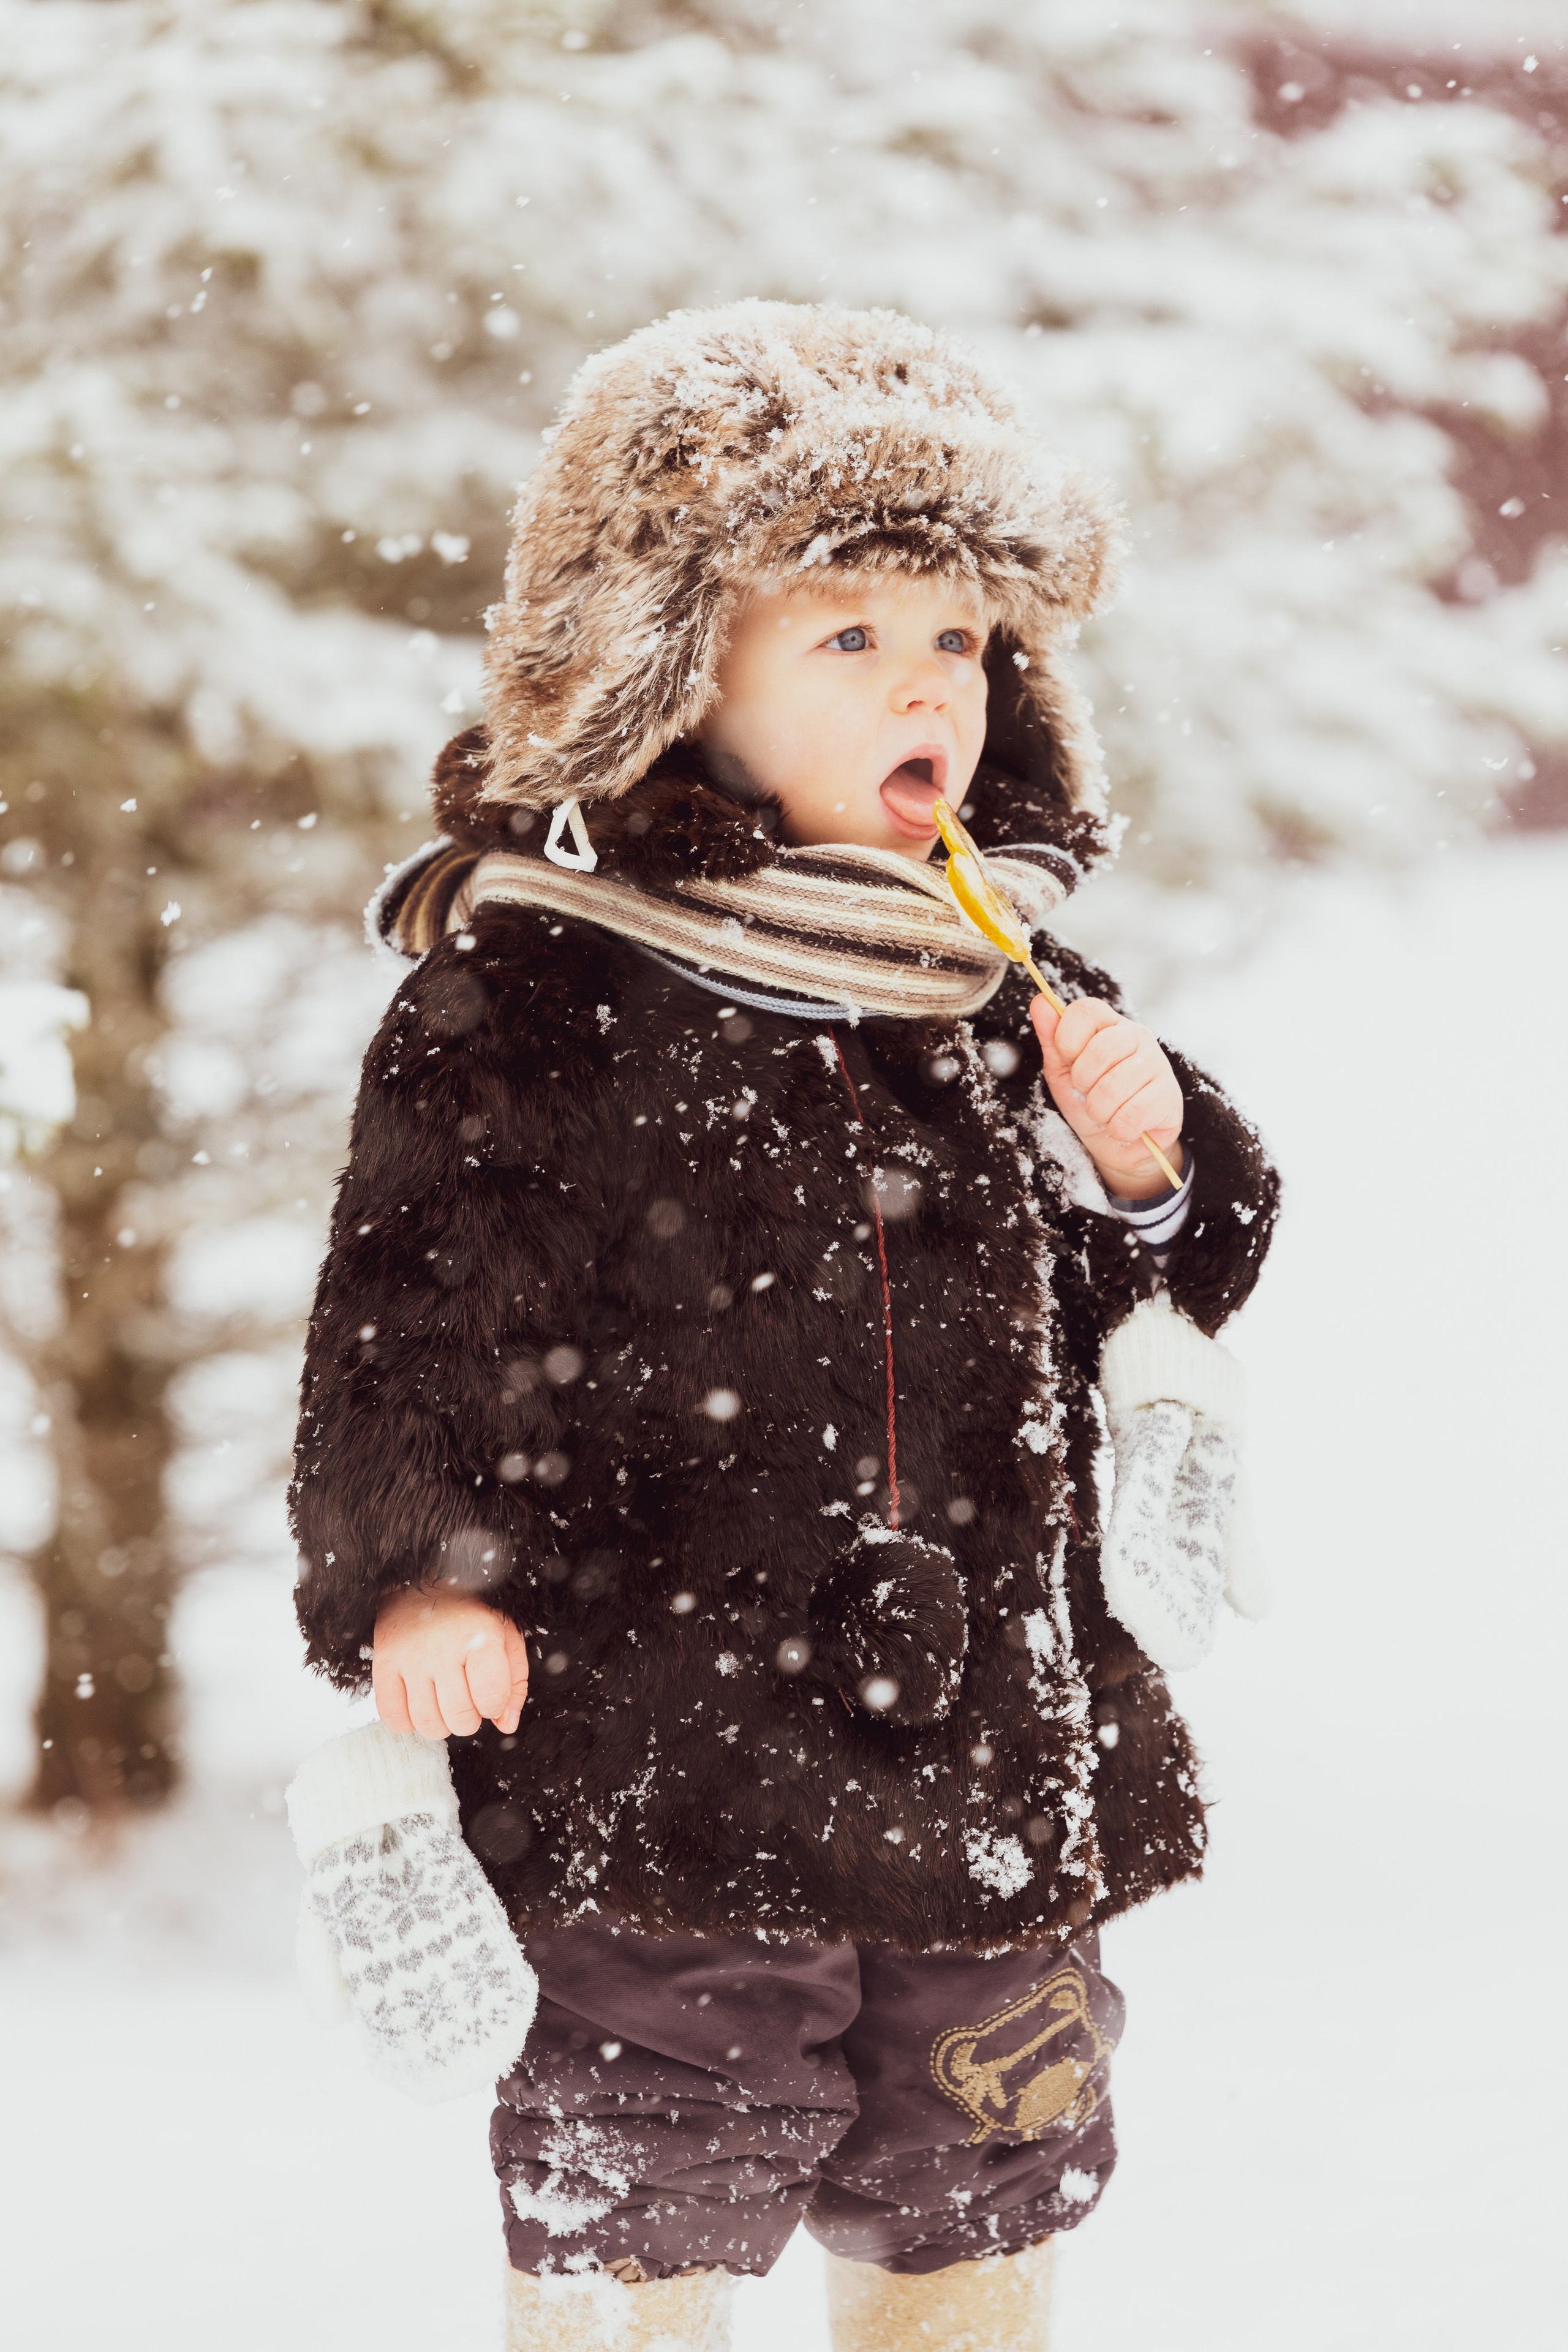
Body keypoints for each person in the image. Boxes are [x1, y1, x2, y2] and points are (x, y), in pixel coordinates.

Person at [292, 300, 1278, 2352]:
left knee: (980, 2167)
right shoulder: (543, 991)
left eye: (963, 643)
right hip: (661, 1730)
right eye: (851, 638)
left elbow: (1155, 1281)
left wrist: (1147, 1165)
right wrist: (415, 1578)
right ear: (672, 665)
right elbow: (407, 1316)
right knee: (654, 2172)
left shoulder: (995, 979)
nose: (931, 688)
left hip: (989, 1731)